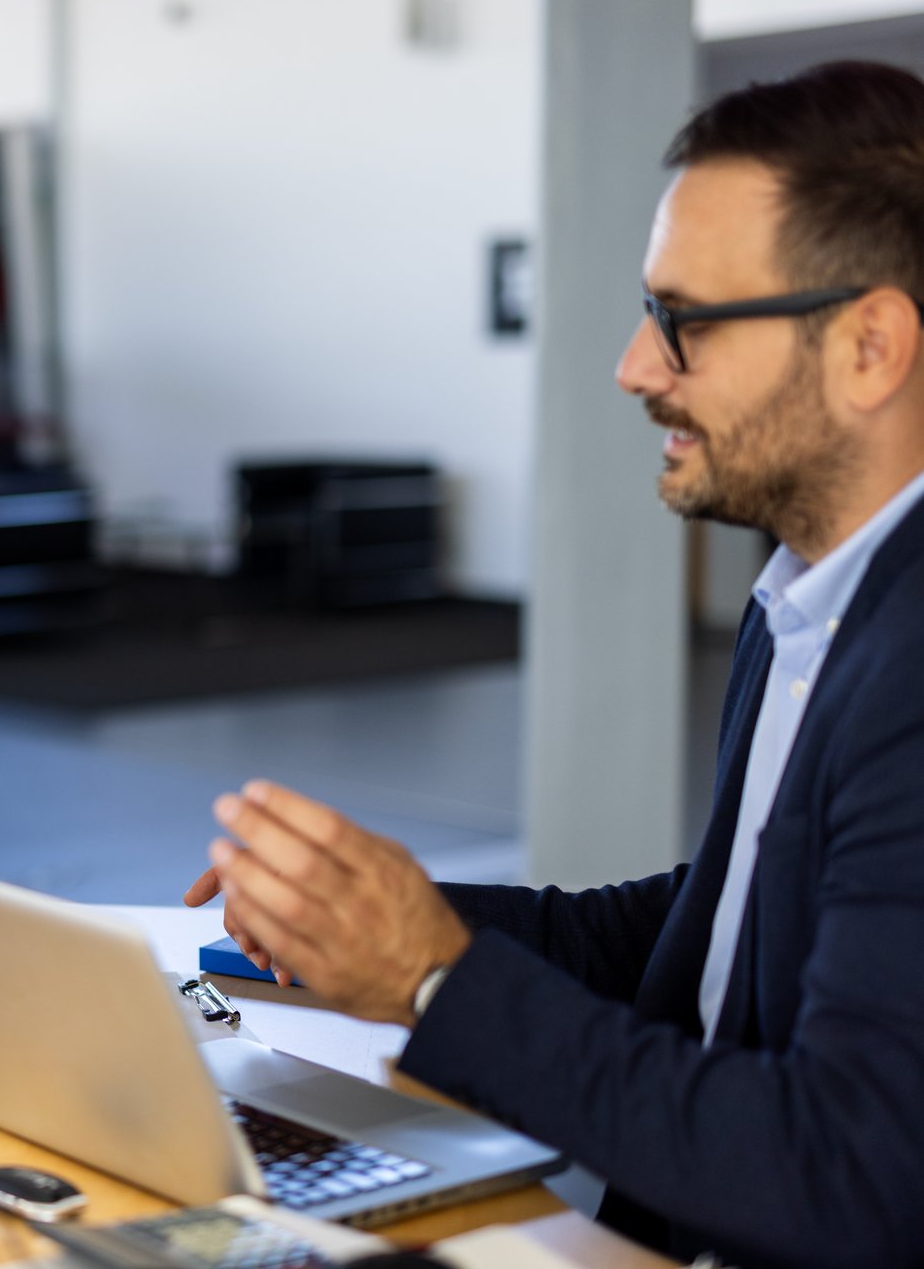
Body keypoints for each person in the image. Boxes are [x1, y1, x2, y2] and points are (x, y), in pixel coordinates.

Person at [185, 61, 924, 1268]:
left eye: (683, 319)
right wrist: (365, 919)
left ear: (870, 344)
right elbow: (723, 933)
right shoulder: (808, 604)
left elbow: (847, 1175)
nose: (637, 365)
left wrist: (431, 974)